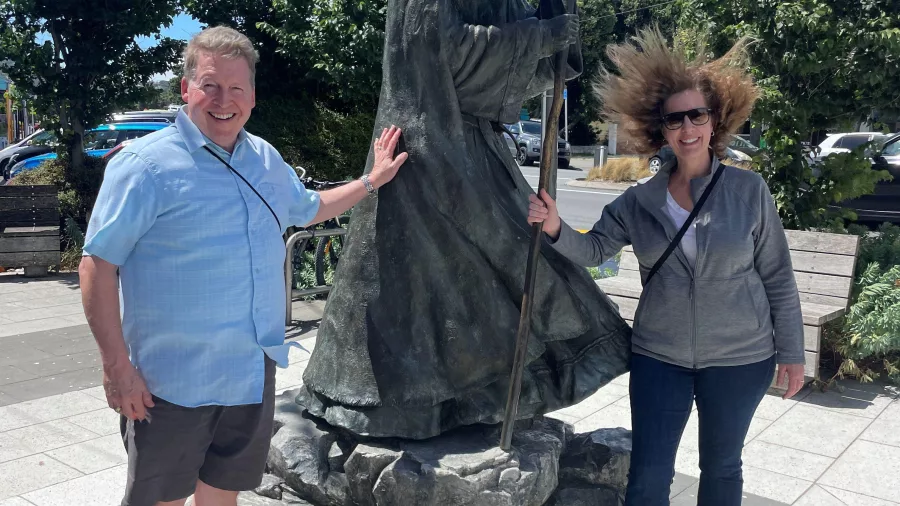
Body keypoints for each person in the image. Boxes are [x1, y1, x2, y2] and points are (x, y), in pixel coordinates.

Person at [78, 26, 407, 506]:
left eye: (236, 88)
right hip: (171, 383)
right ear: (186, 88)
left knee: (222, 493)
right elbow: (96, 266)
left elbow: (310, 207)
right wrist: (116, 368)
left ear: (252, 96)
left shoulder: (265, 159)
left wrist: (372, 181)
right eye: (209, 85)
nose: (222, 100)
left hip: (249, 373)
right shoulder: (144, 167)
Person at [296, 0, 632, 440]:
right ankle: (411, 410)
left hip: (474, 149)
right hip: (428, 150)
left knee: (495, 278)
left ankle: (472, 404)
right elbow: (441, 47)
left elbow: (514, 73)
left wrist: (548, 25)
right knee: (431, 290)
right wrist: (540, 35)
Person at [527, 28, 806, 506]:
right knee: (650, 475)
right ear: (662, 130)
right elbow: (595, 250)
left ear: (714, 121)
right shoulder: (640, 201)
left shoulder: (748, 192)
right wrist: (555, 228)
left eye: (696, 114)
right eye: (674, 119)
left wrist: (792, 352)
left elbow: (777, 276)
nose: (687, 127)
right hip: (661, 357)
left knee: (721, 468)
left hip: (741, 357)